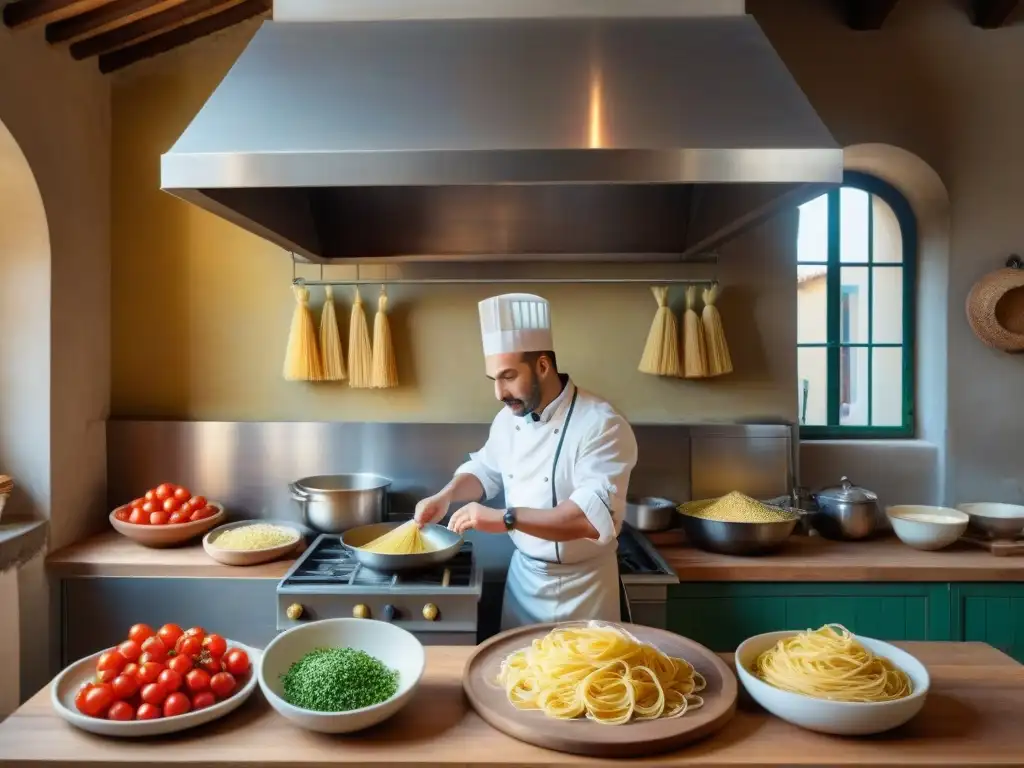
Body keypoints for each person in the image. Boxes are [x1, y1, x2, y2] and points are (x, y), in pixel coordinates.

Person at [414, 293, 638, 630]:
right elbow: (485, 471)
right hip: (524, 586)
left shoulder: (602, 424)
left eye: (508, 376)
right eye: (495, 380)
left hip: (586, 592)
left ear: (543, 365)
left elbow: (589, 519)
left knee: (584, 682)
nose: (499, 393)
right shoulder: (508, 419)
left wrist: (506, 518)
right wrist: (446, 495)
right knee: (516, 679)